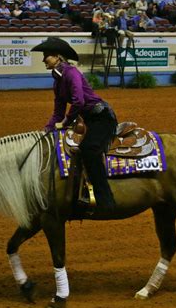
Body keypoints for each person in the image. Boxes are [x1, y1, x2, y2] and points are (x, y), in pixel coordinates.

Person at [31, 37, 118, 212]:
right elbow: (58, 112)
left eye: (46, 56)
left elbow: (78, 102)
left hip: (102, 118)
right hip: (87, 120)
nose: (43, 60)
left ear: (57, 57)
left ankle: (105, 199)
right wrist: (46, 130)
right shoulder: (58, 81)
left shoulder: (72, 73)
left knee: (89, 150)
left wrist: (65, 122)